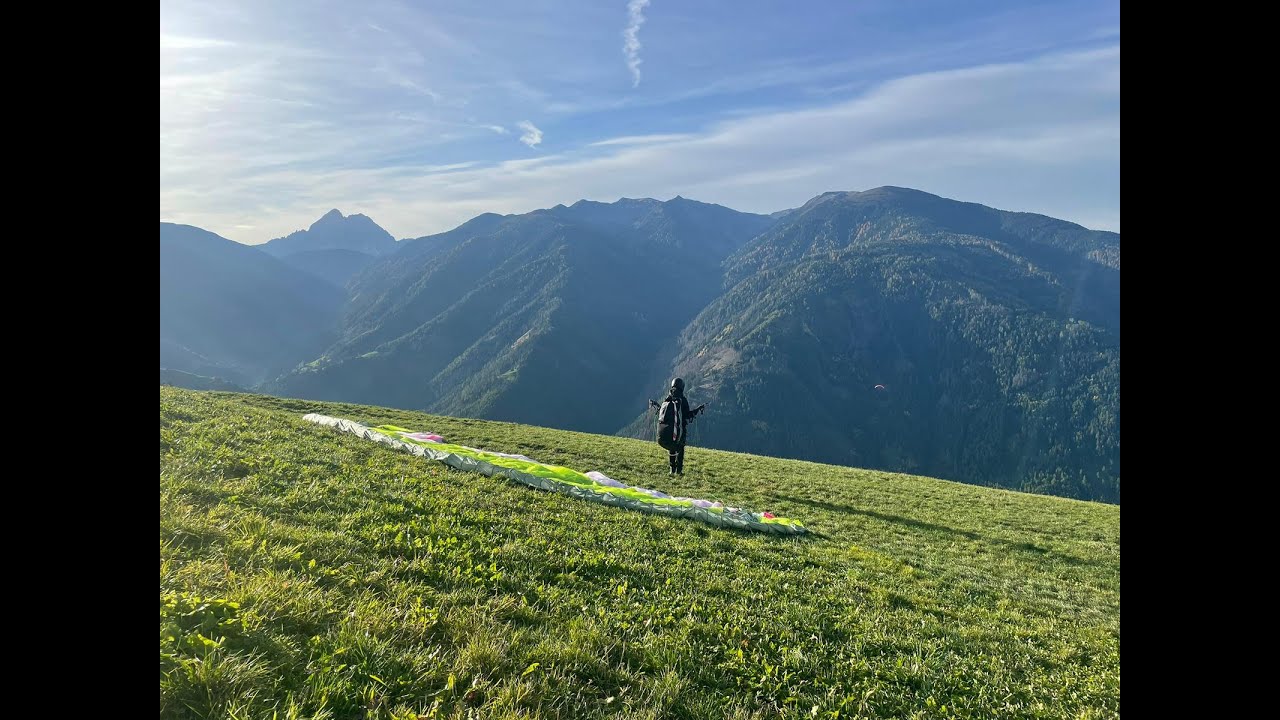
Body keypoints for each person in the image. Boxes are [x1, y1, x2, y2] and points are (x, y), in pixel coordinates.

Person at [649, 377, 705, 475]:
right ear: (682, 387)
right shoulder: (682, 400)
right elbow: (687, 415)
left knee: (672, 447)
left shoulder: (668, 398)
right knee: (680, 448)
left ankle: (672, 469)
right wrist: (698, 409)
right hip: (680, 429)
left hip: (668, 430)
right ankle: (679, 471)